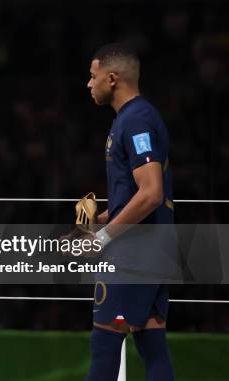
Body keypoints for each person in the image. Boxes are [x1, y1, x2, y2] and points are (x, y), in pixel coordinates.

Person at [84, 43, 175, 380]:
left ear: (112, 78)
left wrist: (105, 236)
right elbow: (140, 193)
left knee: (106, 340)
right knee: (150, 339)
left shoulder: (136, 121)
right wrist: (106, 217)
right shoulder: (134, 118)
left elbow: (151, 193)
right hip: (154, 248)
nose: (88, 84)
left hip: (135, 253)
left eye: (93, 77)